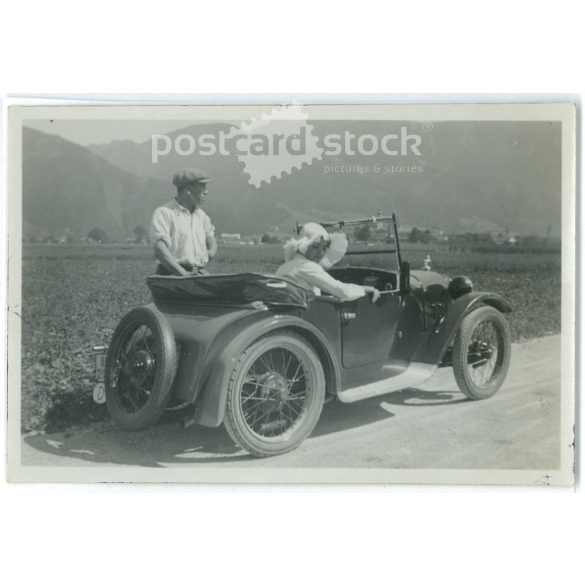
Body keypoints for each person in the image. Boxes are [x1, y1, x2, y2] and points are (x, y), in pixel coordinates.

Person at [276, 223, 380, 302]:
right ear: (303, 246)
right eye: (315, 246)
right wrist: (364, 289)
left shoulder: (284, 267)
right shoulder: (306, 266)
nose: (320, 252)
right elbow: (342, 291)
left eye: (324, 247)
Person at [150, 169, 217, 276]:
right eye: (202, 187)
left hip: (197, 274)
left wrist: (211, 253)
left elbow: (210, 237)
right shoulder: (164, 213)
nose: (206, 192)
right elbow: (160, 249)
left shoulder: (202, 216)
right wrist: (183, 274)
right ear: (188, 190)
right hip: (171, 275)